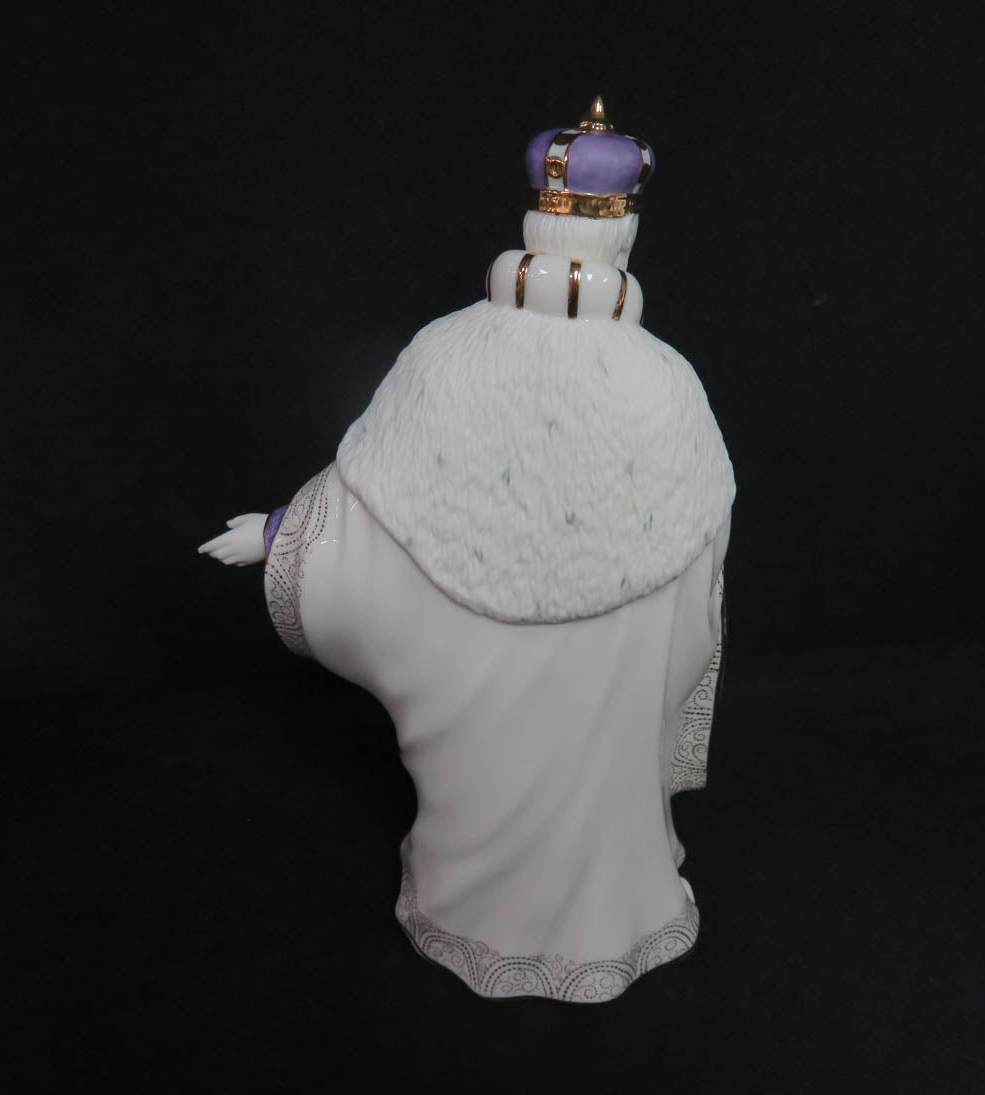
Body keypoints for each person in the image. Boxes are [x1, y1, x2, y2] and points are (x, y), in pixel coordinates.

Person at [200, 98, 734, 1002]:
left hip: (481, 684)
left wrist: (286, 536)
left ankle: (483, 909)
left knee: (495, 784)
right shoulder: (668, 382)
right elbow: (701, 577)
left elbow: (365, 514)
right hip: (611, 684)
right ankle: (604, 908)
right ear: (624, 239)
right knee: (595, 783)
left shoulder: (447, 353)